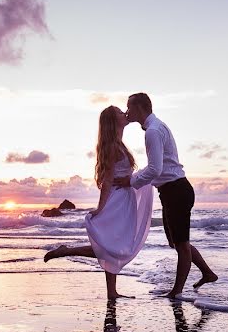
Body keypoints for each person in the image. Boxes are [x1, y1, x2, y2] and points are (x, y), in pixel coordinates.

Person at [114, 93, 218, 298]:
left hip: (177, 190)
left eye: (129, 107)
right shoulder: (155, 127)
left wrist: (130, 181)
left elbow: (154, 169)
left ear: (140, 107)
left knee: (181, 244)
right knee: (177, 242)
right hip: (171, 190)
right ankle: (207, 272)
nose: (127, 112)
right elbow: (156, 167)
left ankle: (176, 292)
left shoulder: (153, 131)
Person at [43, 105, 153, 299]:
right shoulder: (112, 147)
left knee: (114, 245)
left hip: (124, 199)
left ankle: (112, 292)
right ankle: (66, 251)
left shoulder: (119, 144)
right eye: (120, 112)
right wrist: (101, 208)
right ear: (113, 121)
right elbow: (108, 180)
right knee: (113, 247)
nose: (124, 114)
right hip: (117, 200)